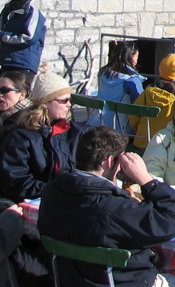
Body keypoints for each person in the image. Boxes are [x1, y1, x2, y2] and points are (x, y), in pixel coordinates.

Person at [38, 126, 175, 287]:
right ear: (109, 161)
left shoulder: (52, 191)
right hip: (120, 282)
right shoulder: (112, 208)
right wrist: (146, 180)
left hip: (69, 280)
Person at [0, 69, 84, 202]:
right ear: (45, 104)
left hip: (68, 198)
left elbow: (85, 168)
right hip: (33, 202)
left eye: (70, 99)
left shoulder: (73, 131)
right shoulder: (21, 136)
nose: (69, 104)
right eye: (63, 100)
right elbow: (16, 181)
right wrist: (55, 191)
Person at [128, 54, 175, 150]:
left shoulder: (149, 91)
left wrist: (140, 132)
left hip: (143, 143)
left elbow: (133, 115)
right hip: (168, 147)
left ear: (160, 69)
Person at [0, 0, 46, 78]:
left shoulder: (32, 11)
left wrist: (3, 37)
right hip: (6, 61)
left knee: (18, 93)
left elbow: (29, 37)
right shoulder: (7, 8)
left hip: (23, 63)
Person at [97, 40, 145, 132]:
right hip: (121, 129)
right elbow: (140, 106)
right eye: (137, 56)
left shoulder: (103, 73)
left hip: (99, 122)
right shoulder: (131, 80)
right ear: (131, 57)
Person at [0, 69, 32, 150]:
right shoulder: (5, 118)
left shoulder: (28, 121)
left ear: (22, 95)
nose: (0, 94)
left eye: (4, 90)